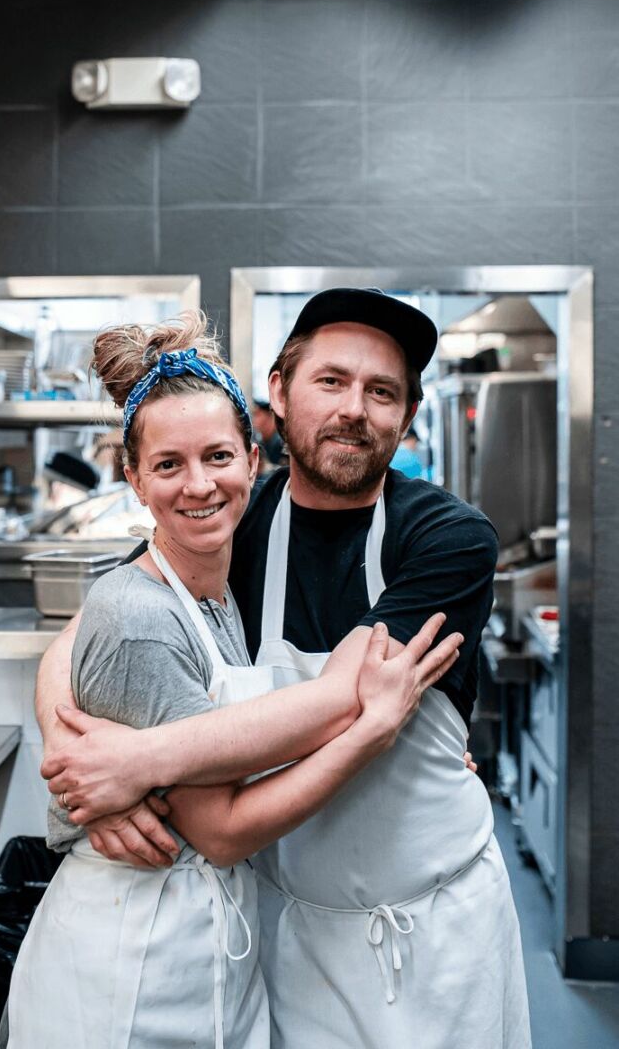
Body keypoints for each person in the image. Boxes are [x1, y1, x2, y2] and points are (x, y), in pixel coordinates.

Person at [39, 289, 531, 1048]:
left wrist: (135, 763)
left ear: (406, 415)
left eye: (381, 392)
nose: (353, 409)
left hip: (436, 933)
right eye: (330, 381)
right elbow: (88, 630)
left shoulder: (448, 538)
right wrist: (73, 760)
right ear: (280, 391)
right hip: (286, 933)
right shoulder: (233, 519)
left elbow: (346, 697)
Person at [252, 399, 285, 468]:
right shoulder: (261, 441)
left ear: (269, 416)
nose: (253, 419)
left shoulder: (281, 443)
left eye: (257, 414)